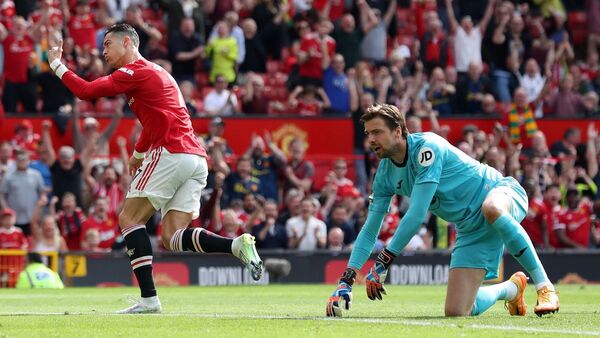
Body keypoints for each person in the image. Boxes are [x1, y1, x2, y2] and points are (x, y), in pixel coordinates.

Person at [46, 23, 263, 314]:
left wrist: (56, 64)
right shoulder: (158, 73)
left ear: (127, 42)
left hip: (171, 152)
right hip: (196, 159)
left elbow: (85, 91)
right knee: (172, 236)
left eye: (108, 44)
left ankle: (149, 299)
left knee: (129, 218)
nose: (103, 51)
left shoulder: (133, 71)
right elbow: (154, 121)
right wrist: (137, 153)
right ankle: (236, 245)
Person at [325, 103, 559, 318]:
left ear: (398, 131)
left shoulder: (427, 147)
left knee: (491, 208)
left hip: (499, 191)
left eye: (377, 132)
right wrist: (346, 279)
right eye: (368, 134)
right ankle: (512, 288)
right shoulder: (384, 175)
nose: (371, 140)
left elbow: (416, 215)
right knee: (457, 311)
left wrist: (384, 259)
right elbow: (369, 230)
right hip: (470, 228)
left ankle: (545, 286)